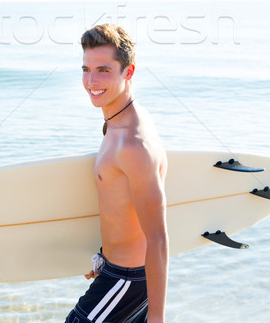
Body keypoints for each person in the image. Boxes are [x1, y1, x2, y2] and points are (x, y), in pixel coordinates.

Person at [65, 24, 168, 323]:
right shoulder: (116, 122)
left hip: (127, 281)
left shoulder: (133, 145)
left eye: (104, 70)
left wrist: (157, 318)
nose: (91, 81)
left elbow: (159, 238)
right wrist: (104, 255)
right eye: (86, 69)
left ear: (129, 72)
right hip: (116, 272)